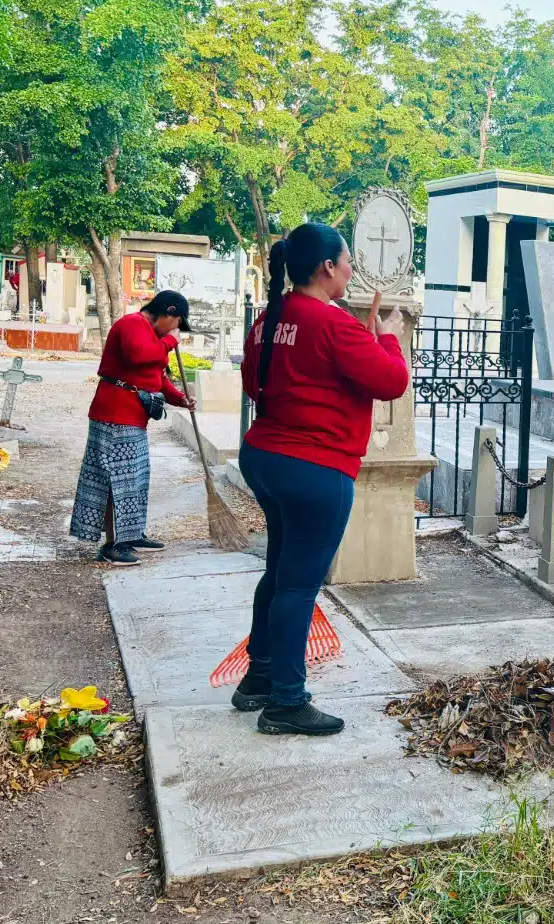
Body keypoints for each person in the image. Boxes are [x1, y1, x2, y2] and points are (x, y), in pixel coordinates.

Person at [235, 223, 409, 737]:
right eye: (348, 261)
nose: (352, 270)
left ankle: (259, 679)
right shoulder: (333, 324)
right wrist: (390, 339)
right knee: (298, 586)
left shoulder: (270, 318)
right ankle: (286, 702)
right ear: (327, 267)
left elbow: (252, 380)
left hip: (264, 457)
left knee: (279, 572)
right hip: (316, 468)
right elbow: (391, 382)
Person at [70, 290, 193, 565]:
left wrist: (180, 399)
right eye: (177, 323)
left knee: (135, 480)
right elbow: (140, 356)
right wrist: (170, 342)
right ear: (168, 311)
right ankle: (113, 544)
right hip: (114, 414)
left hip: (134, 417)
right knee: (116, 480)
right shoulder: (131, 325)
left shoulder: (154, 336)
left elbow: (156, 377)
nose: (176, 331)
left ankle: (131, 533)